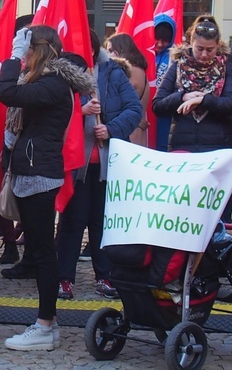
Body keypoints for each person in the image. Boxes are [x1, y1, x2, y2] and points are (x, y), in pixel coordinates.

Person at [0, 25, 95, 351]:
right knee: (40, 252)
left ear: (40, 50)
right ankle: (47, 324)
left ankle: (43, 325)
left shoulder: (53, 84)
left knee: (42, 254)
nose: (23, 56)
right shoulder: (49, 82)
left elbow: (6, 92)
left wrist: (11, 57)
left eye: (26, 49)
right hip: (33, 168)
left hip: (40, 172)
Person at [57, 31, 141, 301]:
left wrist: (111, 128)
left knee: (102, 222)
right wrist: (79, 112)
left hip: (107, 163)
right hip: (76, 162)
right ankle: (64, 279)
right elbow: (53, 111)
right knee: (72, 221)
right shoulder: (63, 74)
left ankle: (105, 276)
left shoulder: (112, 72)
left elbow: (133, 109)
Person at [152, 20, 232, 222]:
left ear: (218, 46)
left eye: (210, 50)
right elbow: (158, 105)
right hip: (184, 147)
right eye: (199, 48)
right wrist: (182, 96)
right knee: (185, 211)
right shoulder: (178, 65)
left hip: (217, 147)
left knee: (217, 213)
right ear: (191, 42)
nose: (204, 54)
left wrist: (204, 100)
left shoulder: (227, 66)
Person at [105, 32, 150, 146]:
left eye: (110, 50)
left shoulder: (128, 72)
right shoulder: (141, 71)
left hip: (129, 134)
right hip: (135, 132)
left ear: (120, 48)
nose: (107, 54)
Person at [153, 13, 177, 151]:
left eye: (165, 40)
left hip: (165, 115)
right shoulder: (140, 54)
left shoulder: (175, 58)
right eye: (157, 39)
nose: (160, 44)